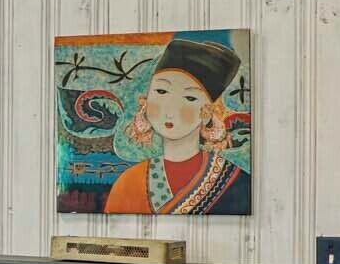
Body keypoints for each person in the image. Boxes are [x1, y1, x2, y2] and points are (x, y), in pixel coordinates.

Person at [82, 34, 250, 216]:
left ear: (207, 112)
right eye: (161, 91)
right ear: (145, 102)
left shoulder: (237, 182)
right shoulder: (128, 182)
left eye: (190, 97)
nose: (170, 109)